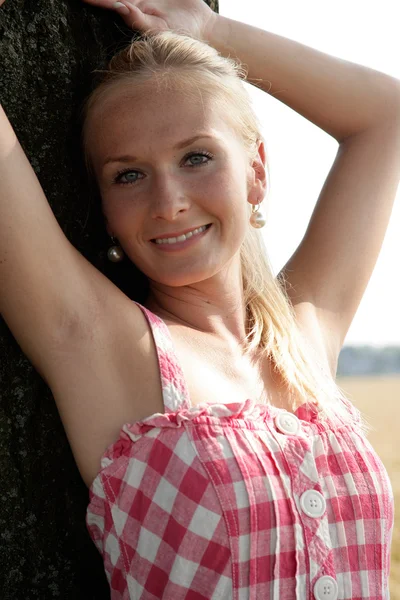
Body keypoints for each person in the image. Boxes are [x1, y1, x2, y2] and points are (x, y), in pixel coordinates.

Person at [0, 0, 399, 597]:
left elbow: (386, 116)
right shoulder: (105, 346)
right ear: (104, 209)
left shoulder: (305, 335)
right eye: (128, 175)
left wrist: (212, 31)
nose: (169, 202)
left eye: (196, 157)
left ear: (256, 169)